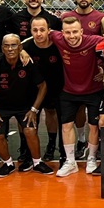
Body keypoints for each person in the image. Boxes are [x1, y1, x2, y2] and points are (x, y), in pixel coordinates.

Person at [0, 35, 50, 177]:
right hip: (1, 107)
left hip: (25, 106)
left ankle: (37, 162)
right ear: (2, 48)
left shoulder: (28, 63)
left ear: (20, 47)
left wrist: (34, 109)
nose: (10, 49)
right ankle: (8, 163)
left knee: (30, 131)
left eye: (13, 45)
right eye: (6, 45)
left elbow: (43, 86)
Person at [48, 17, 104, 177]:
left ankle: (92, 158)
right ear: (62, 33)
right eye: (68, 32)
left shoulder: (95, 40)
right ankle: (70, 162)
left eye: (75, 32)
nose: (72, 36)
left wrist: (103, 70)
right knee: (66, 125)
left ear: (81, 31)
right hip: (69, 91)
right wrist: (23, 51)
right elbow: (37, 37)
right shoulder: (57, 38)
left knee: (94, 126)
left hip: (93, 90)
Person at [23, 16, 65, 163]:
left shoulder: (58, 45)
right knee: (30, 118)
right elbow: (14, 46)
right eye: (35, 30)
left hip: (58, 87)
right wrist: (21, 51)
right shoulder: (26, 47)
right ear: (30, 31)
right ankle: (28, 151)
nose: (39, 33)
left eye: (42, 30)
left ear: (49, 30)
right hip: (35, 89)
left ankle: (55, 146)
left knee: (56, 116)